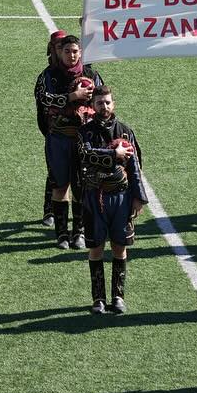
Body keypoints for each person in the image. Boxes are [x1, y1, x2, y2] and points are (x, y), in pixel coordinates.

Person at [79, 85, 147, 315]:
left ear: (113, 104)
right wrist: (113, 155)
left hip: (121, 198)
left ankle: (118, 296)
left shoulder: (125, 131)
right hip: (93, 197)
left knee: (120, 246)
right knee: (96, 247)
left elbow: (135, 166)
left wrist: (139, 197)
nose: (104, 106)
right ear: (93, 106)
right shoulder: (85, 132)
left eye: (107, 102)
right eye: (99, 103)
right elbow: (86, 155)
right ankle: (98, 298)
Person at [34, 33, 103, 249]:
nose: (71, 55)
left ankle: (79, 232)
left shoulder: (91, 73)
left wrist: (92, 99)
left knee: (81, 186)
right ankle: (61, 234)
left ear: (80, 52)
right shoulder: (49, 75)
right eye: (67, 51)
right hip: (59, 138)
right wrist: (73, 96)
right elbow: (43, 98)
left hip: (84, 139)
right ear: (59, 52)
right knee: (60, 185)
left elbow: (103, 98)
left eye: (75, 51)